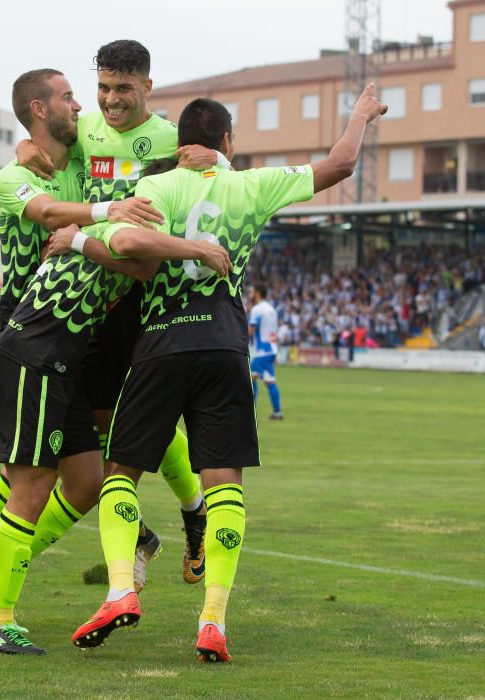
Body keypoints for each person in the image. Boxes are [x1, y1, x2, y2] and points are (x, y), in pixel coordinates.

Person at [71, 85, 387, 662]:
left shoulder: (155, 186)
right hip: (224, 345)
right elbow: (340, 164)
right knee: (225, 486)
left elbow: (124, 242)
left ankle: (121, 589)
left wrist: (87, 238)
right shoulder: (252, 183)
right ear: (226, 141)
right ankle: (212, 619)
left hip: (162, 345)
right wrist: (360, 114)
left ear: (182, 142)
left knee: (121, 472)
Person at [0, 68, 164, 639]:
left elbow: (121, 149)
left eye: (93, 94)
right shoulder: (15, 173)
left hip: (75, 331)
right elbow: (53, 215)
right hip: (31, 322)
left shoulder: (81, 156)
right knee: (25, 473)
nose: (86, 105)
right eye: (70, 97)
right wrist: (110, 213)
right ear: (38, 109)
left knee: (82, 481)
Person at [17, 40, 228, 589]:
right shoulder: (85, 131)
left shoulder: (168, 138)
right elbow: (47, 145)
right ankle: (183, 517)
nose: (110, 100)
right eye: (104, 88)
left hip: (144, 292)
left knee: (136, 418)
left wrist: (222, 158)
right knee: (106, 422)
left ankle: (185, 516)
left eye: (123, 90)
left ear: (147, 89)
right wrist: (23, 146)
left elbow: (221, 179)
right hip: (92, 297)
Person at [249, 284, 283, 420]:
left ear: (257, 293)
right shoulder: (271, 309)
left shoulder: (257, 309)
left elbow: (251, 330)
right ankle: (277, 412)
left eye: (252, 291)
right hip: (271, 349)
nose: (250, 293)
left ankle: (249, 413)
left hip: (261, 351)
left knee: (249, 379)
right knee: (269, 381)